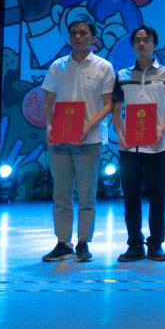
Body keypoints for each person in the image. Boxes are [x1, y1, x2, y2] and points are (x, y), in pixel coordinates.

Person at [41, 19, 115, 262]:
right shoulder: (58, 66)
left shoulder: (104, 67)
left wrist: (88, 125)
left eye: (83, 33)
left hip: (89, 139)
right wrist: (51, 126)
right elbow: (48, 102)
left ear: (93, 38)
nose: (78, 37)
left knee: (86, 195)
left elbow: (109, 104)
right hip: (60, 140)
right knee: (61, 195)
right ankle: (63, 242)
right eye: (74, 33)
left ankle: (83, 241)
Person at [112, 25, 165, 262]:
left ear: (154, 45)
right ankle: (134, 244)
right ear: (133, 45)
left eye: (147, 40)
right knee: (130, 198)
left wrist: (162, 129)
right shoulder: (122, 75)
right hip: (129, 146)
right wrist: (120, 134)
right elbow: (115, 109)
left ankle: (156, 244)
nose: (142, 43)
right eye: (138, 40)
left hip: (157, 145)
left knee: (157, 197)